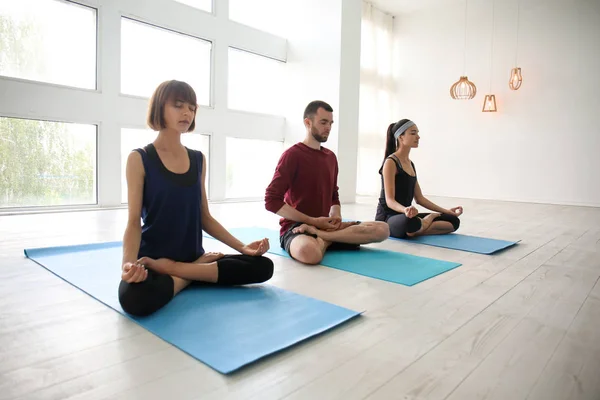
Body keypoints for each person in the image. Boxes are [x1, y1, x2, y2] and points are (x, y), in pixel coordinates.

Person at [118, 80, 273, 317]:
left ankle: (183, 272)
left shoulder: (198, 159)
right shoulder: (139, 159)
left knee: (264, 266)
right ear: (160, 107)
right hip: (155, 260)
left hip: (189, 258)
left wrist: (242, 247)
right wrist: (128, 265)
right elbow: (132, 223)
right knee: (133, 297)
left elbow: (205, 217)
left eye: (191, 107)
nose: (187, 113)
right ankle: (192, 274)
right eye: (178, 105)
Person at [265, 100, 389, 265]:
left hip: (324, 227)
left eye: (330, 123)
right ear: (307, 123)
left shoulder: (330, 157)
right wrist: (312, 222)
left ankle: (324, 238)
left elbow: (333, 195)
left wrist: (336, 216)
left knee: (383, 229)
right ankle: (330, 239)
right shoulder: (292, 155)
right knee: (309, 253)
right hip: (297, 229)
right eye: (323, 122)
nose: (328, 127)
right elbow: (271, 201)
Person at [375, 119, 463, 239]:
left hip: (408, 215)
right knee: (410, 223)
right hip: (388, 218)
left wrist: (447, 211)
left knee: (453, 221)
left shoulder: (410, 164)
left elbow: (420, 199)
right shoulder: (391, 162)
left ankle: (418, 229)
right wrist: (405, 210)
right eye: (413, 133)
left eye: (417, 133)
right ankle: (424, 223)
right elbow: (389, 201)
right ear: (401, 137)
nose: (418, 137)